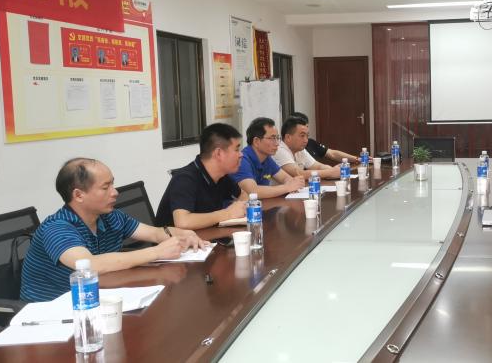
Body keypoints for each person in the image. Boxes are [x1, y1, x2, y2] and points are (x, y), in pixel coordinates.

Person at [20, 158, 208, 302]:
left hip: (101, 298)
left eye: (112, 184)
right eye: (105, 187)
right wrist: (157, 252)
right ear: (78, 195)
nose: (115, 192)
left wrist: (182, 234)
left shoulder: (110, 216)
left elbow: (154, 233)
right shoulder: (57, 227)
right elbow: (91, 265)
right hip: (52, 313)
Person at [156, 123, 248, 229]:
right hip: (174, 239)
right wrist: (227, 213)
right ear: (219, 153)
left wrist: (240, 208)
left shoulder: (222, 176)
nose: (241, 154)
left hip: (208, 236)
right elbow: (183, 222)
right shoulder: (184, 179)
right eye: (236, 149)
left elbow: (243, 195)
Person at [233, 117, 306, 198]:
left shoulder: (267, 158)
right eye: (272, 138)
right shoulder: (242, 160)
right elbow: (253, 192)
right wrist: (287, 187)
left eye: (277, 138)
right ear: (256, 141)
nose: (277, 143)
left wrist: (294, 182)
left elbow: (285, 178)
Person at [273, 116, 342, 179]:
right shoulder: (278, 150)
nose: (306, 140)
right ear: (288, 137)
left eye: (307, 136)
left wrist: (334, 170)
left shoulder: (300, 150)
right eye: (302, 136)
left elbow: (318, 166)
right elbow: (299, 174)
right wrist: (331, 172)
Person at [289, 112, 360, 163]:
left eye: (307, 127)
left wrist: (356, 159)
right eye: (302, 132)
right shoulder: (289, 150)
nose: (306, 130)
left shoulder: (310, 142)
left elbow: (332, 154)